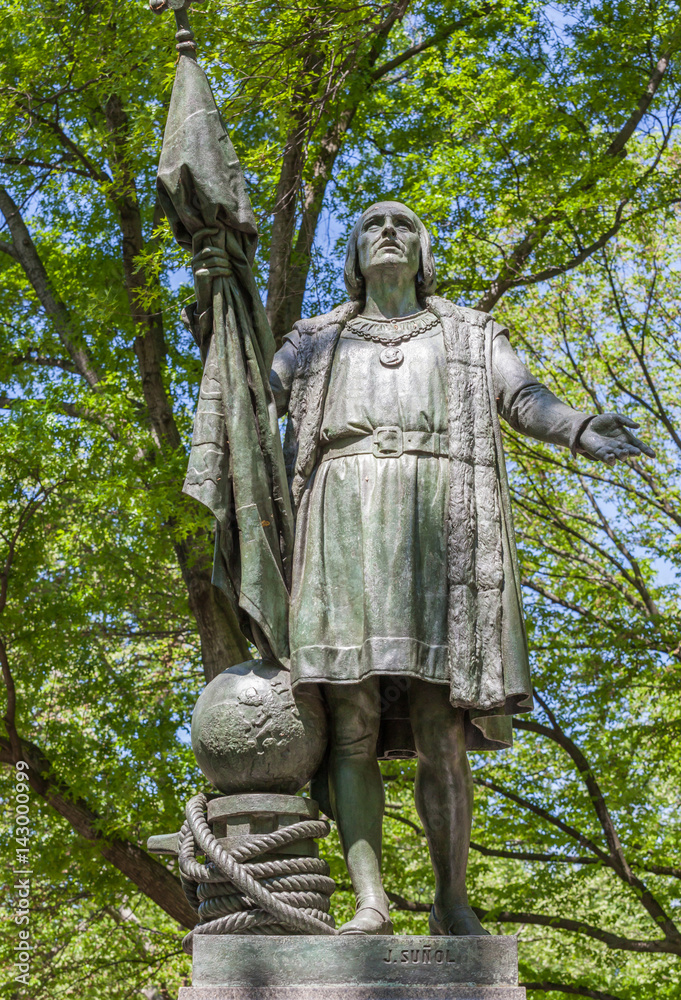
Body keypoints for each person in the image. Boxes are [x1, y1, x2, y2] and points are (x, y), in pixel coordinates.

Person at [191, 201, 653, 936]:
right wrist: (218, 312)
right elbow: (253, 394)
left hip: (441, 525)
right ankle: (370, 901)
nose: (387, 232)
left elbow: (521, 397)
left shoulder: (468, 333)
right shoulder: (311, 341)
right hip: (338, 521)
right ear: (352, 255)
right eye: (372, 224)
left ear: (422, 253)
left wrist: (577, 428)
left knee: (442, 725)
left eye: (403, 225)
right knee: (350, 721)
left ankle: (450, 900)